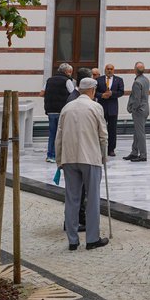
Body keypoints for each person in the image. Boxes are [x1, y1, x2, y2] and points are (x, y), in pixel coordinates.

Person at [56, 77, 110, 251]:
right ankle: (92, 239)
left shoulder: (66, 108)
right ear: (93, 90)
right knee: (92, 198)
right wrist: (104, 157)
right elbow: (103, 135)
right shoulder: (95, 107)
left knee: (71, 199)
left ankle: (72, 240)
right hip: (90, 158)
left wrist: (59, 161)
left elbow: (58, 138)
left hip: (69, 158)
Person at [43, 64, 73, 163]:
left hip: (50, 110)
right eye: (70, 72)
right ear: (66, 72)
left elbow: (43, 93)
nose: (70, 74)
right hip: (62, 110)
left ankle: (50, 155)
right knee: (62, 133)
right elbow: (73, 94)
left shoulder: (49, 80)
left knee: (52, 133)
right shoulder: (67, 80)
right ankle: (60, 155)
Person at [95, 64, 125, 156]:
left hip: (112, 108)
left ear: (113, 70)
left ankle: (111, 149)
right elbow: (94, 92)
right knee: (100, 129)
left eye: (111, 69)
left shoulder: (119, 80)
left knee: (112, 130)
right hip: (101, 108)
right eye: (107, 69)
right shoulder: (99, 80)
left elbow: (121, 92)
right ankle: (100, 148)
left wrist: (112, 93)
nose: (109, 71)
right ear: (105, 70)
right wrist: (101, 95)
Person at [124, 61, 150, 162]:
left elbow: (137, 99)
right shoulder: (146, 80)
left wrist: (132, 109)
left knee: (140, 133)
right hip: (145, 109)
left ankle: (143, 155)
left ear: (135, 70)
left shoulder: (137, 82)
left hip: (139, 110)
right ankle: (134, 152)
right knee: (137, 132)